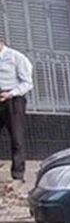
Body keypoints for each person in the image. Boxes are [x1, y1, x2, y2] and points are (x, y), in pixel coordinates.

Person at [0, 40, 33, 187]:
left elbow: (27, 83)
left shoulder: (16, 57)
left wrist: (11, 93)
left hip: (13, 99)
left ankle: (18, 175)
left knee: (16, 137)